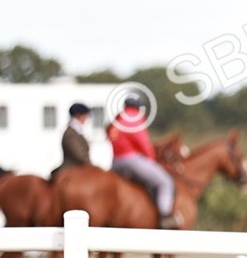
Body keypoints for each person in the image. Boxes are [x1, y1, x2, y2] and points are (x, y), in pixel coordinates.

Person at [108, 94, 179, 229]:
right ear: (138, 107)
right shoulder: (135, 118)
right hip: (131, 160)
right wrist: (152, 160)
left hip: (115, 162)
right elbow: (144, 144)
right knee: (165, 182)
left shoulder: (117, 119)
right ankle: (165, 215)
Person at [50, 102, 93, 179]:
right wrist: (91, 166)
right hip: (71, 168)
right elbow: (79, 155)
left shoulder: (78, 132)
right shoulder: (70, 133)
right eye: (85, 115)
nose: (86, 118)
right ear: (79, 115)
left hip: (80, 167)